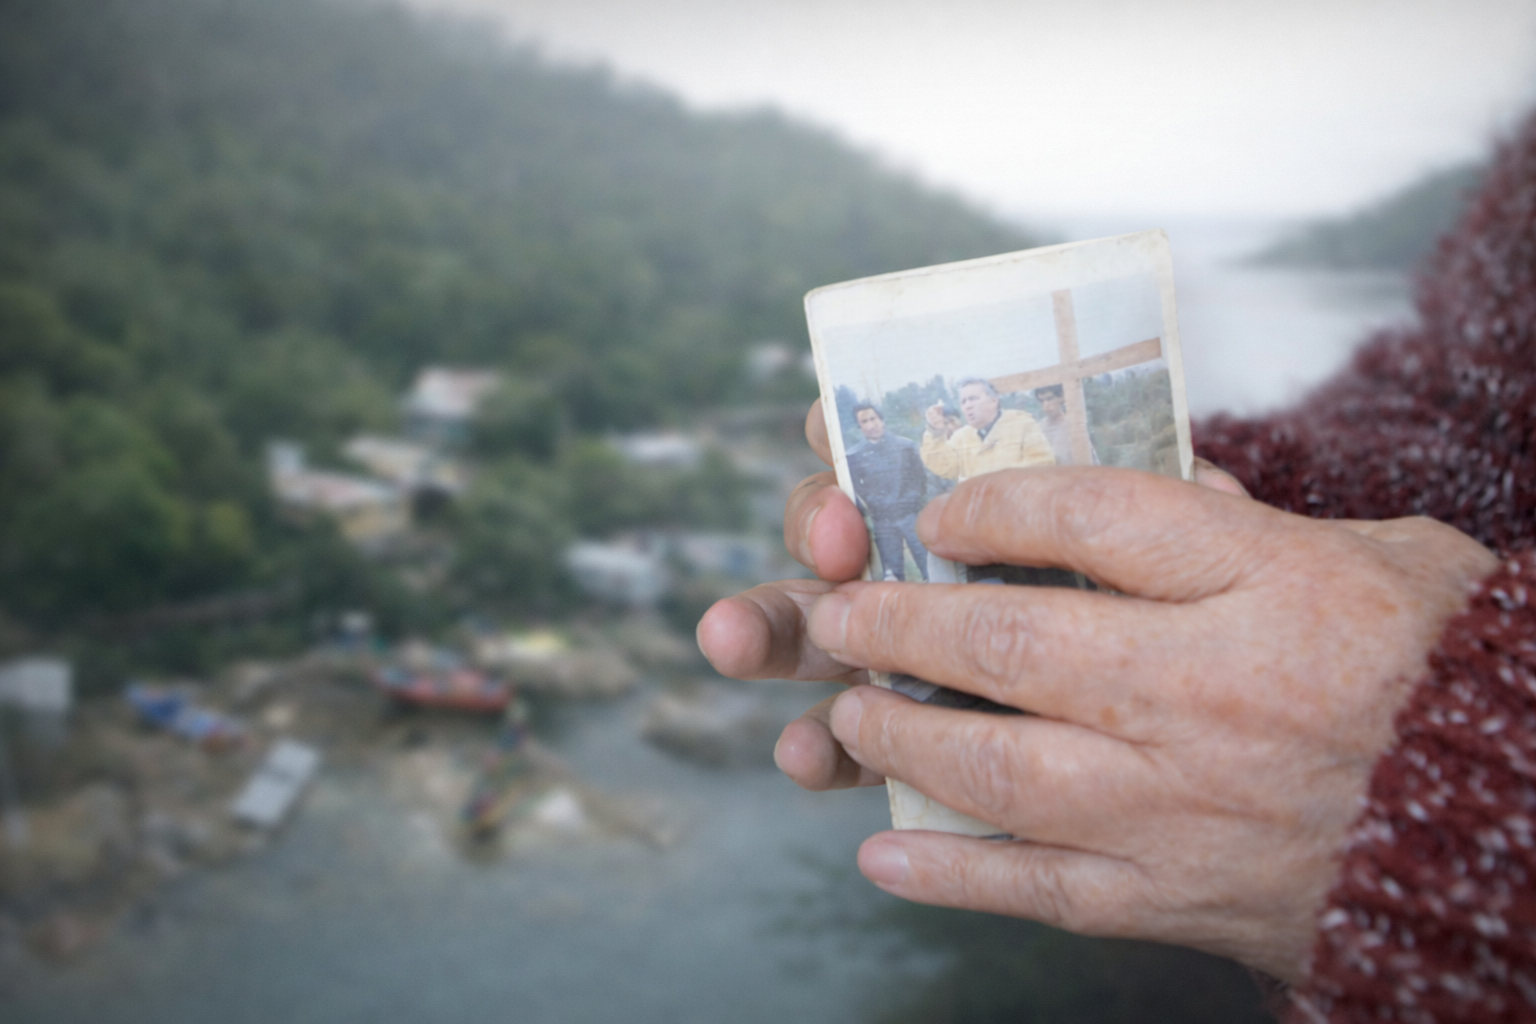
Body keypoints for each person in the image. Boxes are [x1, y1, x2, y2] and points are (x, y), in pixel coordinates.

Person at [697, 111, 1536, 1021]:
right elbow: (1479, 418)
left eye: (980, 391)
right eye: (965, 393)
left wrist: (1471, 782)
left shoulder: (1005, 425)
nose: (971, 399)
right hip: (951, 543)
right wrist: (1196, 508)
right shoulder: (941, 436)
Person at [844, 402, 930, 581]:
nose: (870, 425)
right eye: (864, 421)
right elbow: (855, 488)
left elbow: (920, 479)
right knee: (892, 574)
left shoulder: (906, 446)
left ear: (882, 420)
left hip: (911, 515)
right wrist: (872, 505)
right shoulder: (854, 456)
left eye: (873, 419)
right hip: (883, 522)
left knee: (928, 565)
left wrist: (911, 500)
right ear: (859, 427)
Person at [920, 377, 1055, 481]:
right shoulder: (961, 437)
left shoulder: (1022, 425)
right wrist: (935, 433)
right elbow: (944, 468)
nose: (968, 406)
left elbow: (1042, 467)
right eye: (963, 401)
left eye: (973, 399)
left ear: (994, 401)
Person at [1033, 383, 1098, 466]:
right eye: (1042, 401)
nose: (1046, 405)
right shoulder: (1038, 428)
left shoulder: (1074, 424)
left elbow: (1091, 461)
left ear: (1061, 397)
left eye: (1049, 399)